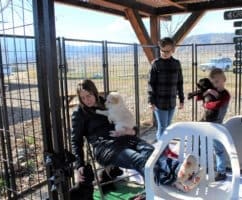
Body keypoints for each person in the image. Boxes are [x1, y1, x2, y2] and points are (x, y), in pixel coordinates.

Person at [71, 79, 200, 198]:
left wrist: (132, 131)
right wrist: (79, 164)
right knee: (140, 159)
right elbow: (75, 141)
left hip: (125, 138)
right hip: (106, 148)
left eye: (89, 95)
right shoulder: (80, 114)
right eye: (83, 98)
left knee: (150, 151)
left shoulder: (107, 102)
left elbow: (128, 118)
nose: (87, 100)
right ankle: (174, 181)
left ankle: (180, 170)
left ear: (94, 92)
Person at [196, 68, 230, 181]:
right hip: (206, 125)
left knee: (218, 149)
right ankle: (204, 167)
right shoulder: (211, 90)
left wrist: (206, 104)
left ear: (224, 80)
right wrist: (207, 92)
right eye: (213, 82)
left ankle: (221, 171)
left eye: (217, 82)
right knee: (203, 146)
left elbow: (216, 105)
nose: (215, 85)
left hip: (217, 126)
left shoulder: (225, 94)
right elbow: (198, 97)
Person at [148, 37, 185, 140]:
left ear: (173, 50)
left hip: (172, 101)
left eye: (167, 51)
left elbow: (180, 83)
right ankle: (161, 150)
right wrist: (150, 101)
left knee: (168, 127)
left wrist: (181, 99)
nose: (164, 53)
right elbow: (151, 83)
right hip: (159, 102)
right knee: (163, 127)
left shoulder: (176, 64)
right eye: (162, 50)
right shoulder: (156, 64)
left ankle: (163, 148)